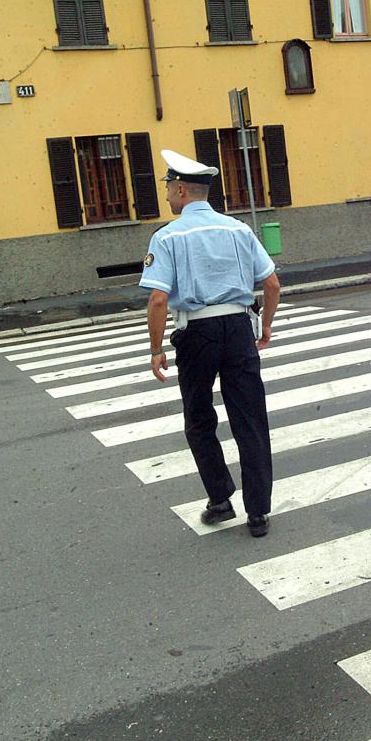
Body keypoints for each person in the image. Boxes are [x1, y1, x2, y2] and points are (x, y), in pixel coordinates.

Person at [139, 149, 281, 538]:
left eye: (169, 187)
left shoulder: (168, 236)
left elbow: (157, 298)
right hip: (238, 329)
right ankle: (258, 513)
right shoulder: (238, 229)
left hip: (197, 334)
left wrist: (155, 350)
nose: (167, 194)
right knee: (250, 419)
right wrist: (264, 328)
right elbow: (271, 284)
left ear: (182, 190)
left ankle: (220, 499)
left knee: (200, 419)